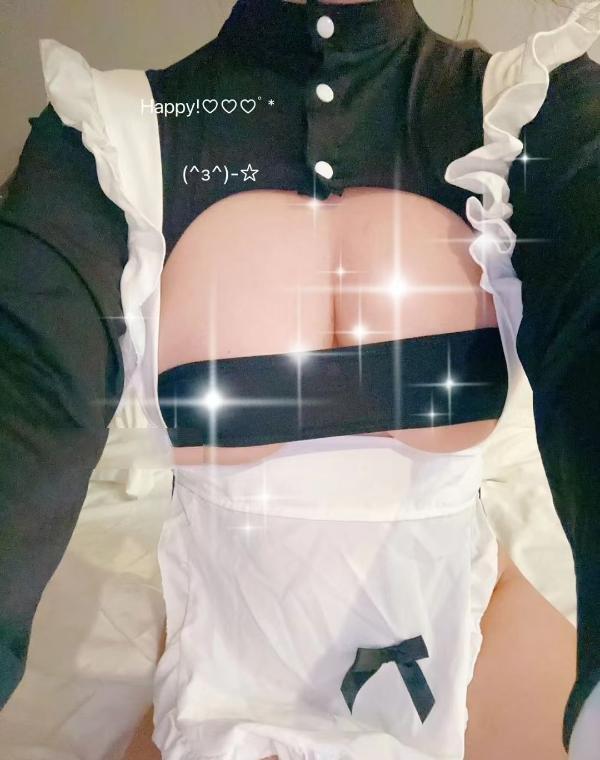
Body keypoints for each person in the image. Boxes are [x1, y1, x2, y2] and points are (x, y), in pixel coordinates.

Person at [0, 0, 598, 758]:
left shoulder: (535, 112)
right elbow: (25, 400)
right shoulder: (104, 139)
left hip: (477, 623)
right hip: (230, 668)